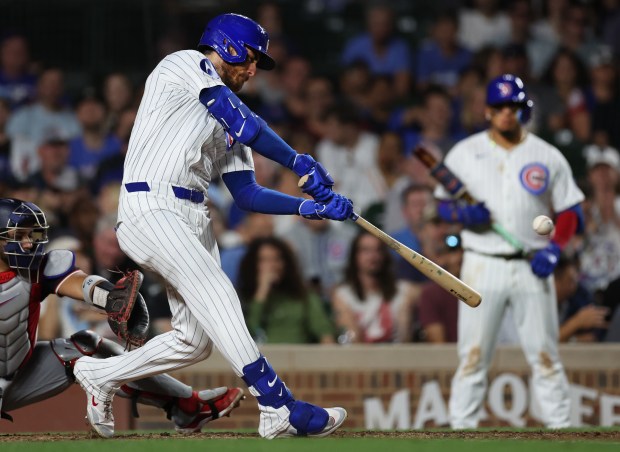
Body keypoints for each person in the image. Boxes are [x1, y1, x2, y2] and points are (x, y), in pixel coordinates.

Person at [71, 13, 352, 439]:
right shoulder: (184, 64)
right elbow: (240, 118)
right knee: (218, 292)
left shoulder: (232, 117)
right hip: (151, 204)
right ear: (227, 46)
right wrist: (298, 161)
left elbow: (247, 194)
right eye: (252, 58)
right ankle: (277, 404)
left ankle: (101, 374)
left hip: (192, 216)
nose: (254, 69)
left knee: (194, 340)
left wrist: (309, 209)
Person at [0, 197, 244, 433]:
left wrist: (110, 298)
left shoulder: (35, 269)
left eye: (32, 235)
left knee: (87, 345)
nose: (29, 244)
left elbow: (75, 282)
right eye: (19, 236)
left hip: (21, 372)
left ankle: (188, 407)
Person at [435, 74, 584, 429]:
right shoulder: (465, 152)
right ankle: (461, 430)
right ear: (487, 111)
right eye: (499, 107)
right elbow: (441, 208)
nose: (506, 113)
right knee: (472, 356)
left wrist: (555, 250)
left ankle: (562, 430)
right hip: (481, 263)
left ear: (524, 110)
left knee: (546, 356)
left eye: (513, 106)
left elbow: (570, 210)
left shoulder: (546, 155)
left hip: (532, 264)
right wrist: (465, 215)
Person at [238, 237, 335, 344]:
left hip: (297, 357)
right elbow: (249, 332)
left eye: (276, 259)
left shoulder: (304, 296)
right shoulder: (242, 298)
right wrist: (262, 291)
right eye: (264, 260)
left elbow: (324, 331)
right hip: (261, 357)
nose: (272, 266)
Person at [331, 231, 419, 344]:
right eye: (366, 250)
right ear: (355, 256)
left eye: (377, 250)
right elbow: (353, 338)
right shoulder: (343, 295)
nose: (373, 256)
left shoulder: (404, 291)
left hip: (398, 356)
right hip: (360, 358)